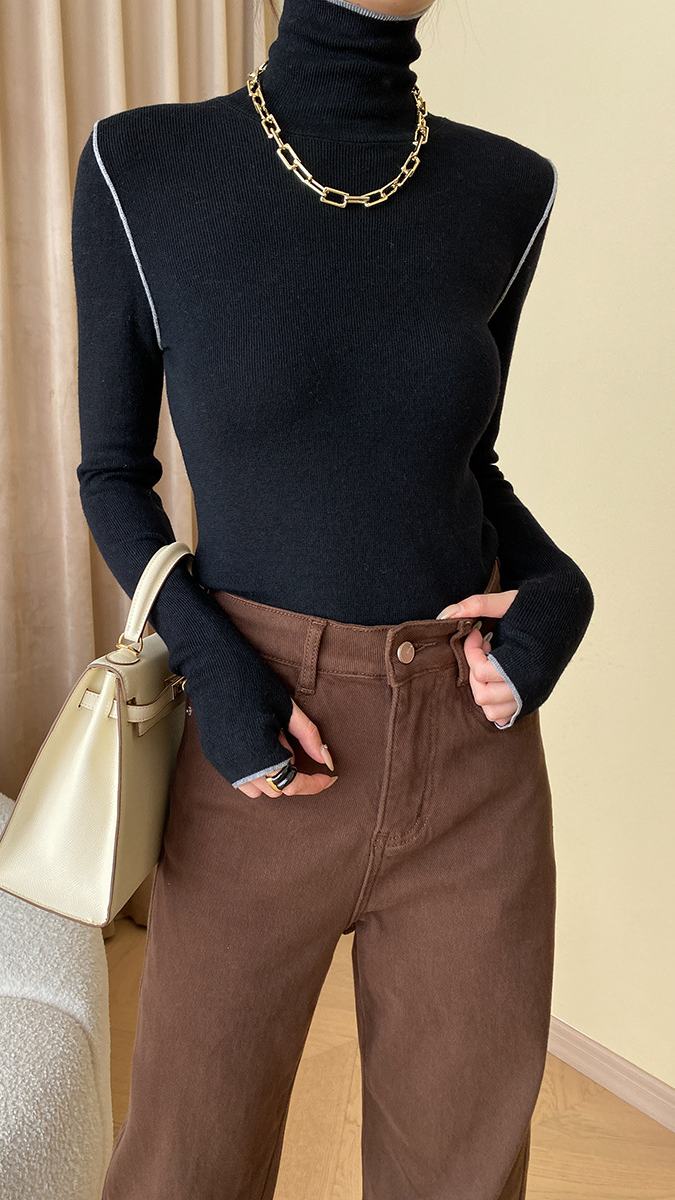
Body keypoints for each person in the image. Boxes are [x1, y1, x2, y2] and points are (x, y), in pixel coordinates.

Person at [71, 0, 594, 1196]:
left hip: (472, 754)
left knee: (461, 1175)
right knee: (186, 1167)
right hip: (262, 743)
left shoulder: (511, 191)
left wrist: (559, 590)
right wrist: (216, 667)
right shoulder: (140, 165)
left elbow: (467, 460)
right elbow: (113, 475)